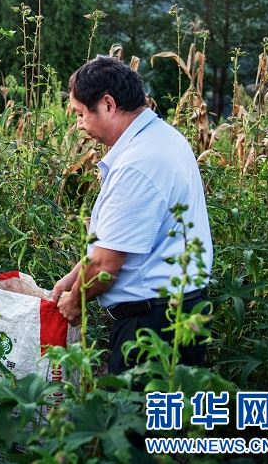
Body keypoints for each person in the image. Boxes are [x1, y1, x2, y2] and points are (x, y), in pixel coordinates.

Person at [52, 56, 212, 374]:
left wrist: (75, 302)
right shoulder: (163, 138)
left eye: (82, 114)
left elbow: (106, 264)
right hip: (177, 312)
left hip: (153, 326)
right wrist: (72, 279)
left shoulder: (139, 162)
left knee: (139, 421)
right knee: (168, 417)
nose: (80, 125)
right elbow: (120, 239)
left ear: (108, 104)